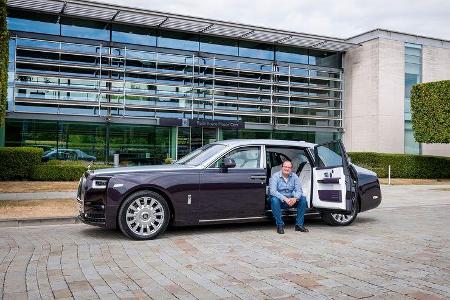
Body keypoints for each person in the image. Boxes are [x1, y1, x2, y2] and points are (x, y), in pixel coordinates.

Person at [269, 160, 309, 234]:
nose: (287, 169)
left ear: (291, 169)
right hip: (279, 200)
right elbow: (273, 191)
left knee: (303, 199)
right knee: (274, 199)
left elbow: (299, 190)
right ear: (282, 167)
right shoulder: (275, 176)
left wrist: (295, 198)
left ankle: (299, 225)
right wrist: (285, 199)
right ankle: (280, 225)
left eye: (289, 167)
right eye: (285, 167)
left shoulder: (294, 176)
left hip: (291, 200)